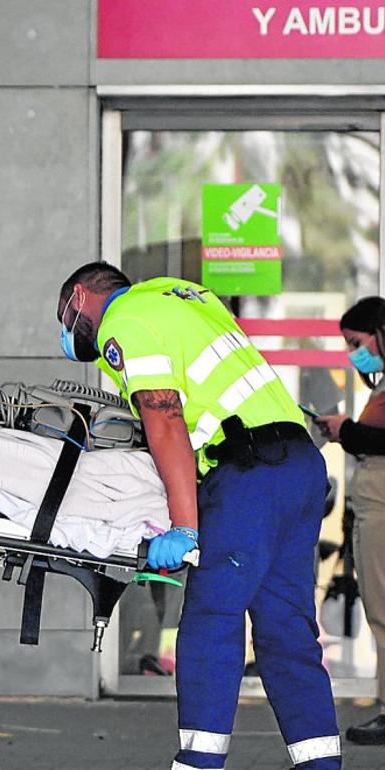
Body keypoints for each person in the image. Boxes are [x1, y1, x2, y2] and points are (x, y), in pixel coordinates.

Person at [57, 263, 340, 770]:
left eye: (65, 317)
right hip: (298, 465)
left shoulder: (125, 316)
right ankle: (321, 762)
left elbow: (164, 416)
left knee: (212, 617)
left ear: (81, 296)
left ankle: (199, 763)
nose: (67, 331)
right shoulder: (186, 296)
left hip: (248, 473)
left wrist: (184, 525)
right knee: (287, 629)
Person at [317, 297, 385, 746]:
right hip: (371, 507)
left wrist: (347, 430)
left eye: (356, 342)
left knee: (382, 614)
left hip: (380, 508)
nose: (353, 353)